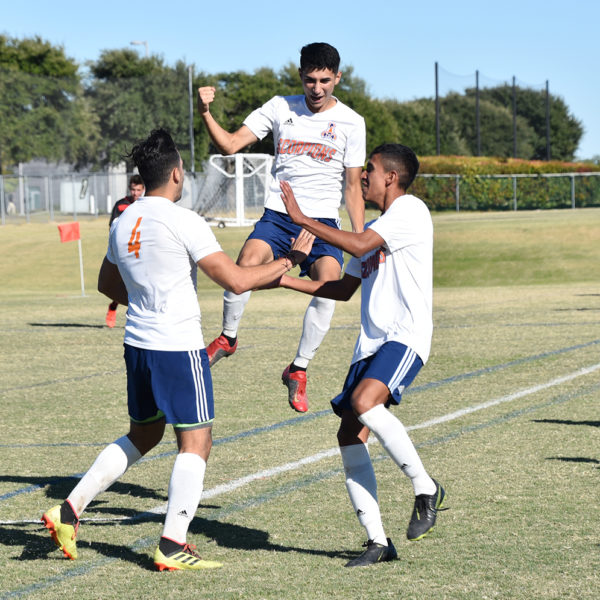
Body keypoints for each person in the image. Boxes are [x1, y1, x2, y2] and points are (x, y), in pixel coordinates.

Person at [41, 128, 314, 571]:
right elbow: (238, 280)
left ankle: (68, 511)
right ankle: (172, 544)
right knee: (196, 442)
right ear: (175, 173)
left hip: (138, 347)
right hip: (177, 348)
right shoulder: (183, 219)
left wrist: (149, 298)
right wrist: (291, 260)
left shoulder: (123, 220)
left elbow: (106, 285)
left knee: (143, 435)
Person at [277, 143, 445, 567]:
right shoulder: (374, 227)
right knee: (349, 435)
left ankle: (426, 488)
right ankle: (377, 542)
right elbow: (342, 289)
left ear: (391, 177)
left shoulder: (410, 211)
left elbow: (359, 244)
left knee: (364, 402)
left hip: (404, 337)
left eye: (369, 170)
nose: (363, 176)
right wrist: (280, 281)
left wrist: (303, 220)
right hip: (370, 345)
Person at [197, 42, 366, 413]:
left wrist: (360, 240)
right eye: (309, 80)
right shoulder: (279, 107)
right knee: (244, 267)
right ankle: (227, 338)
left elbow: (353, 187)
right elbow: (229, 145)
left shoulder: (353, 122)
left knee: (329, 288)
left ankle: (299, 368)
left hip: (321, 224)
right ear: (300, 76)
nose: (317, 88)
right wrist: (205, 112)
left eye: (325, 80)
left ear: (338, 77)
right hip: (277, 217)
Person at [105, 174, 146, 328]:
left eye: (138, 190)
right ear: (130, 189)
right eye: (133, 190)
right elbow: (113, 228)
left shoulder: (145, 205)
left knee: (139, 283)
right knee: (123, 282)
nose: (136, 193)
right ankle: (113, 306)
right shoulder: (121, 205)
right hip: (123, 250)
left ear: (143, 190)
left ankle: (136, 315)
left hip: (141, 250)